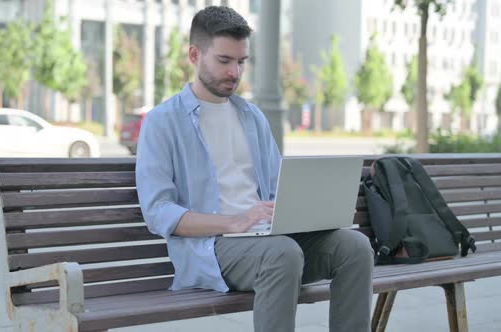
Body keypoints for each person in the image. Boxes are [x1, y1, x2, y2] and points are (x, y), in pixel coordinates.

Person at [136, 6, 374, 332]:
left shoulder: (252, 117)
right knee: (282, 254)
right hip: (213, 247)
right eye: (224, 60)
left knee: (354, 247)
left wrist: (306, 212)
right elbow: (158, 211)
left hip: (269, 239)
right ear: (194, 55)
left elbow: (278, 188)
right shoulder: (163, 122)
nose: (235, 72)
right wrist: (235, 221)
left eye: (241, 62)